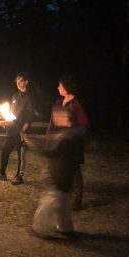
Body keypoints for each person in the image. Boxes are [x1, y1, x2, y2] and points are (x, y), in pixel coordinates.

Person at [28, 125, 83, 239]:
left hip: (61, 173)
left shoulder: (67, 139)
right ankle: (65, 228)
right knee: (63, 202)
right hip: (66, 174)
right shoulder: (71, 136)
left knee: (52, 201)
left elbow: (50, 151)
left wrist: (32, 144)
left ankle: (39, 228)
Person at [46, 74, 89, 211]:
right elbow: (52, 121)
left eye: (60, 85)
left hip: (72, 144)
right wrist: (49, 137)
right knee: (59, 167)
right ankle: (61, 195)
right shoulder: (59, 101)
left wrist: (71, 132)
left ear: (66, 87)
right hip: (59, 143)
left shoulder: (76, 104)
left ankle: (77, 200)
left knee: (75, 170)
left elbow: (84, 125)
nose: (58, 87)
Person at [0, 72, 34, 185]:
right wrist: (6, 122)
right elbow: (12, 115)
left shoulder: (30, 98)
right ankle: (2, 173)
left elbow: (30, 116)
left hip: (21, 131)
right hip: (12, 129)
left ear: (26, 82)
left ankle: (19, 176)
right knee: (5, 150)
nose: (18, 83)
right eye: (17, 81)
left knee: (20, 154)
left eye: (20, 80)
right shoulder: (15, 96)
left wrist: (24, 129)